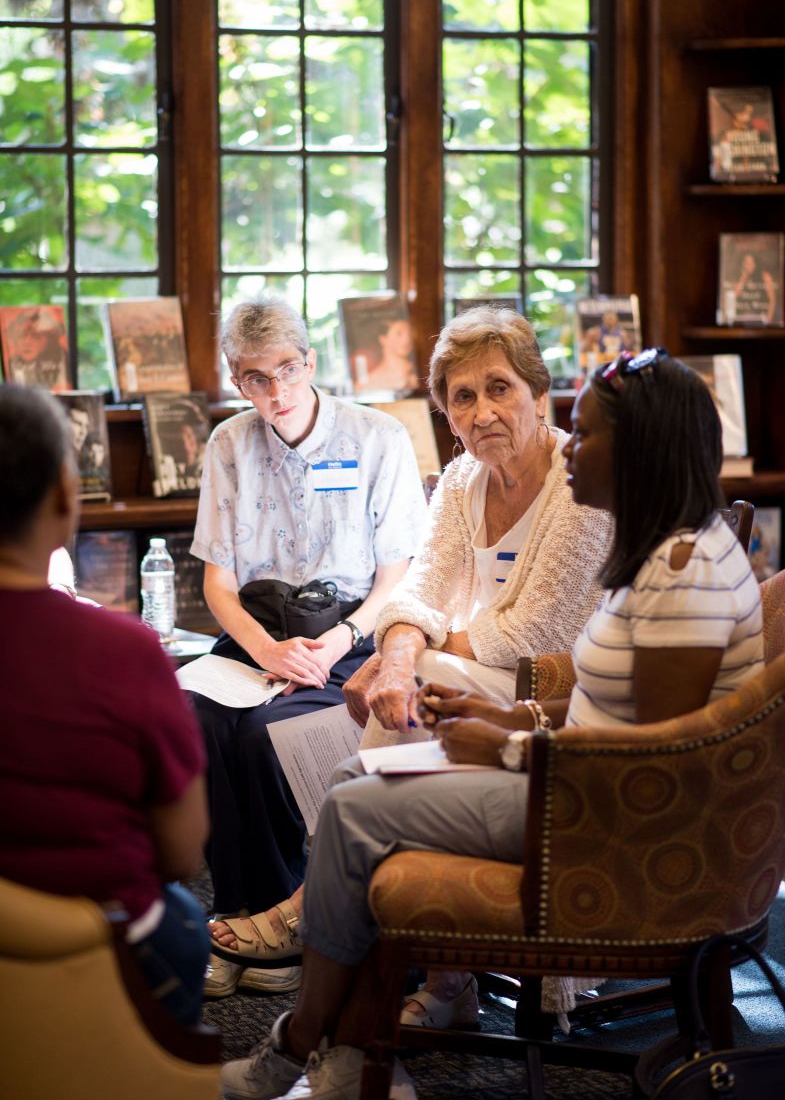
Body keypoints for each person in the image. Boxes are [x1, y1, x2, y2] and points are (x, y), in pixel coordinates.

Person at [219, 348, 763, 1100]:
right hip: (577, 785)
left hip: (607, 821)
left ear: (642, 449)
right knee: (355, 777)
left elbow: (659, 758)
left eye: (588, 432)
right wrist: (508, 712)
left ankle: (308, 1043)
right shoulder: (658, 553)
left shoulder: (684, 572)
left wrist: (510, 746)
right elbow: (615, 702)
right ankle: (349, 1041)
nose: (570, 445)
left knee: (351, 809)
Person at [210, 305, 614, 1021]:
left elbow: (535, 628)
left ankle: (320, 918)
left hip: (553, 698)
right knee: (399, 701)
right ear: (447, 417)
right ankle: (433, 981)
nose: (483, 411)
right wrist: (398, 652)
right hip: (473, 680)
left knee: (403, 714)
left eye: (499, 388)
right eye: (462, 397)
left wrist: (405, 654)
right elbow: (423, 589)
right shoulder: (462, 481)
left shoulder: (575, 479)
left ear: (535, 391)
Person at [189, 298, 427, 999]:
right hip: (257, 631)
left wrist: (336, 641)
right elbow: (218, 582)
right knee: (194, 718)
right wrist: (264, 650)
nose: (275, 393)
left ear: (310, 362)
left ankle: (276, 928)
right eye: (255, 379)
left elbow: (398, 576)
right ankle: (234, 916)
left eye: (286, 371)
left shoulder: (377, 437)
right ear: (237, 380)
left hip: (347, 632)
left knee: (267, 732)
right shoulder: (228, 444)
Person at [0, 383, 210, 1027]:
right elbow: (180, 853)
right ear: (64, 493)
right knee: (188, 919)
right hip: (104, 947)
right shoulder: (127, 651)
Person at [3, 305, 70, 392]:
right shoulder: (12, 364)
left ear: (50, 340)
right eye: (22, 335)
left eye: (36, 336)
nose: (27, 342)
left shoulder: (61, 365)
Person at [354, 315, 418, 394]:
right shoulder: (367, 382)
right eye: (399, 334)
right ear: (383, 339)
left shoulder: (418, 374)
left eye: (409, 334)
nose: (406, 339)